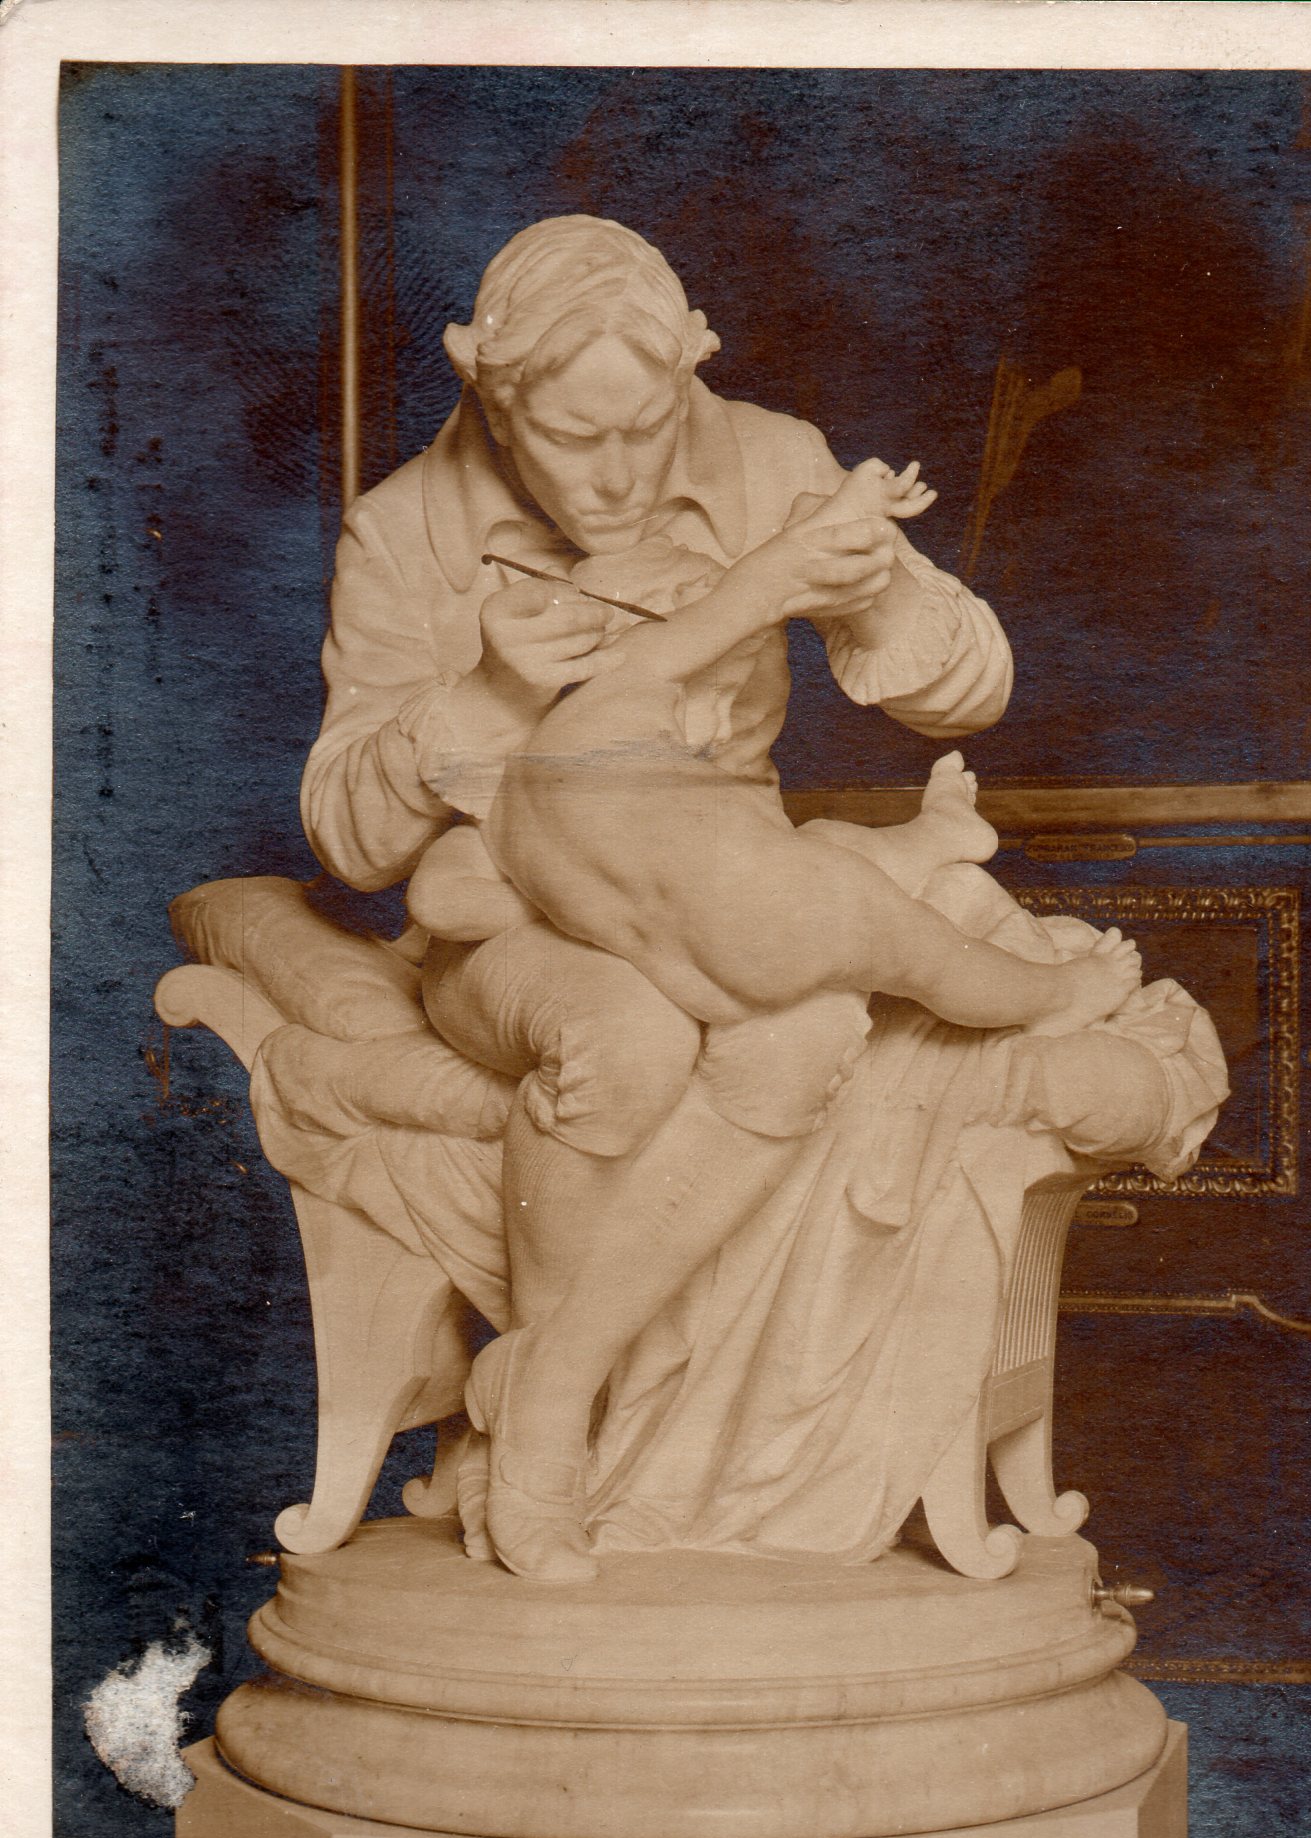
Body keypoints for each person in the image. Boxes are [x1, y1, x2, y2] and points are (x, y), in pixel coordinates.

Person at [302, 216, 1091, 1581]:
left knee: (806, 1028)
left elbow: (972, 691)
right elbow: (349, 840)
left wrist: (877, 601)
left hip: (711, 889)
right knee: (626, 1033)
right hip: (508, 922)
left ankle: (550, 1391)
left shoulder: (772, 462)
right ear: (490, 390)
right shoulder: (406, 528)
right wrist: (483, 694)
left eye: (645, 428)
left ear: (688, 370)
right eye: (571, 437)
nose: (615, 475)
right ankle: (557, 1439)